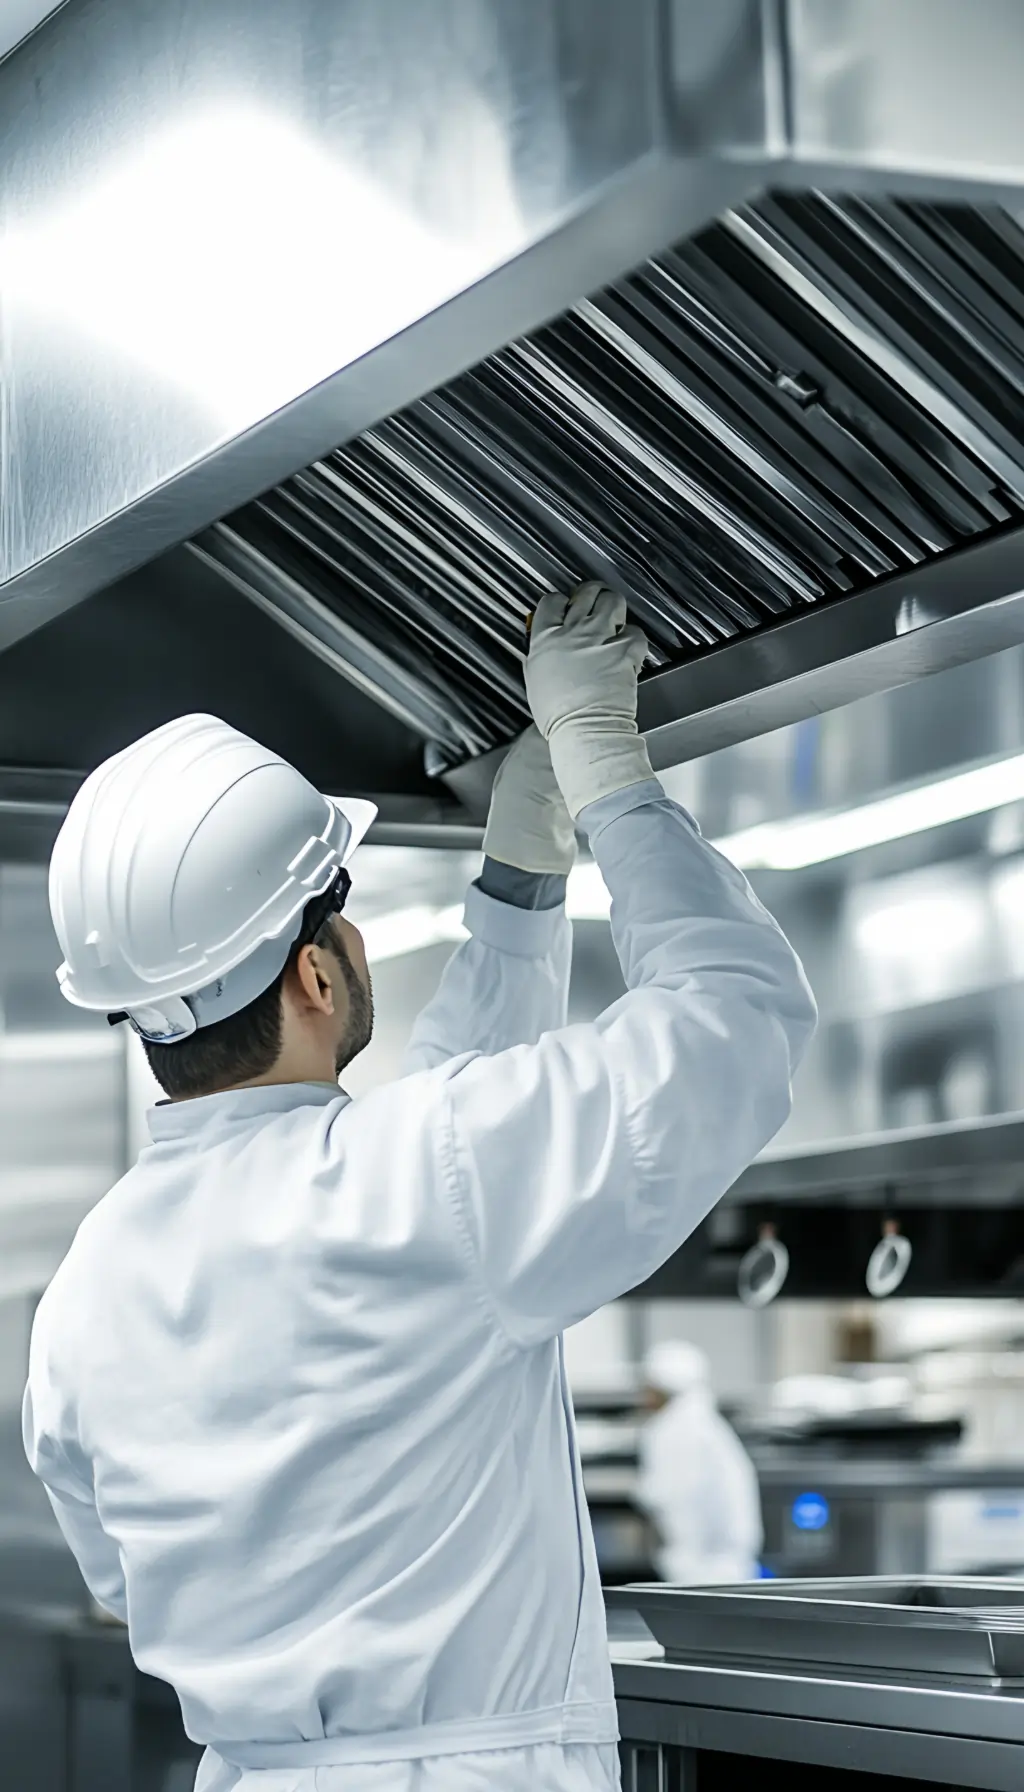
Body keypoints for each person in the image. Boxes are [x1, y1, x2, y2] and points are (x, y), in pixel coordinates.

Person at [23, 584, 815, 1792]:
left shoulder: (84, 1293)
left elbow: (128, 1584)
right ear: (315, 977)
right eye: (337, 913)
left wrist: (517, 886)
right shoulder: (418, 1184)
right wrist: (609, 771)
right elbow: (734, 1015)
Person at [637, 1342, 763, 1585]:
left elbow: (672, 1498)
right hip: (715, 1563)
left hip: (704, 1566)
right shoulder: (699, 1424)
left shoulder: (674, 1432)